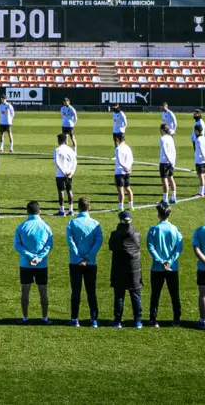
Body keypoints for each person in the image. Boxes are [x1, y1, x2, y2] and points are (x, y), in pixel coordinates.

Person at [14, 201, 54, 324]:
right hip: (41, 265)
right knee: (43, 292)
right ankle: (45, 317)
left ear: (27, 211)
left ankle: (25, 317)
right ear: (39, 211)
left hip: (26, 264)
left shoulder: (21, 227)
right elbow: (49, 245)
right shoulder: (46, 227)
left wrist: (30, 257)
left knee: (25, 291)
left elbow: (17, 245)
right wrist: (38, 257)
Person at [66, 196, 103, 327]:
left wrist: (78, 257)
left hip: (75, 263)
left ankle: (74, 318)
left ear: (78, 207)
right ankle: (94, 319)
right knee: (91, 291)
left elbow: (71, 242)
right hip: (90, 263)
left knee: (76, 291)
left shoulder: (72, 223)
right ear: (89, 207)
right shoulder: (95, 224)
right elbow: (99, 241)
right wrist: (88, 256)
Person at [147, 202, 183, 327]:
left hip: (157, 268)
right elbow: (179, 248)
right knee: (174, 294)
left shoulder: (153, 230)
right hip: (172, 268)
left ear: (158, 214)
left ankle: (153, 319)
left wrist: (161, 261)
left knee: (155, 294)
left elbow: (151, 248)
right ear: (169, 214)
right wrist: (170, 261)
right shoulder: (175, 229)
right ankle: (177, 319)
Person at [109, 210, 143, 329]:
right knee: (135, 294)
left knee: (119, 295)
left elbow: (111, 246)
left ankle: (117, 320)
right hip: (134, 268)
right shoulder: (136, 234)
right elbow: (138, 246)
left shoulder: (115, 234)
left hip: (118, 268)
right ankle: (137, 320)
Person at [53, 132, 77, 217]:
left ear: (59, 140)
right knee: (69, 190)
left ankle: (62, 210)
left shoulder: (57, 150)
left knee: (61, 191)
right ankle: (71, 210)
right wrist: (71, 172)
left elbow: (57, 163)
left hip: (60, 174)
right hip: (69, 174)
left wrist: (63, 172)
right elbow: (75, 161)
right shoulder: (70, 149)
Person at [113, 134, 134, 212]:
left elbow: (119, 160)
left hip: (119, 171)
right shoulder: (128, 148)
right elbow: (131, 159)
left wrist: (125, 168)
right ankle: (131, 205)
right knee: (128, 188)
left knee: (120, 189)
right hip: (127, 171)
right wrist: (129, 168)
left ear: (118, 139)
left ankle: (121, 206)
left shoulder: (118, 148)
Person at [158, 124, 178, 204]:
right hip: (171, 162)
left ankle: (165, 199)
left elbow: (165, 151)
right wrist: (173, 161)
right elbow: (174, 150)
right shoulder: (170, 138)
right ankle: (173, 198)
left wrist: (169, 160)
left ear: (162, 130)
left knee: (165, 180)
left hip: (164, 162)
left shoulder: (162, 139)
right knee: (171, 179)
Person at [193, 123, 205, 197]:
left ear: (197, 131)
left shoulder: (198, 140)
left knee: (201, 176)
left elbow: (201, 150)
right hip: (203, 160)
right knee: (204, 175)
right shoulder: (204, 138)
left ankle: (201, 192)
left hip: (199, 160)